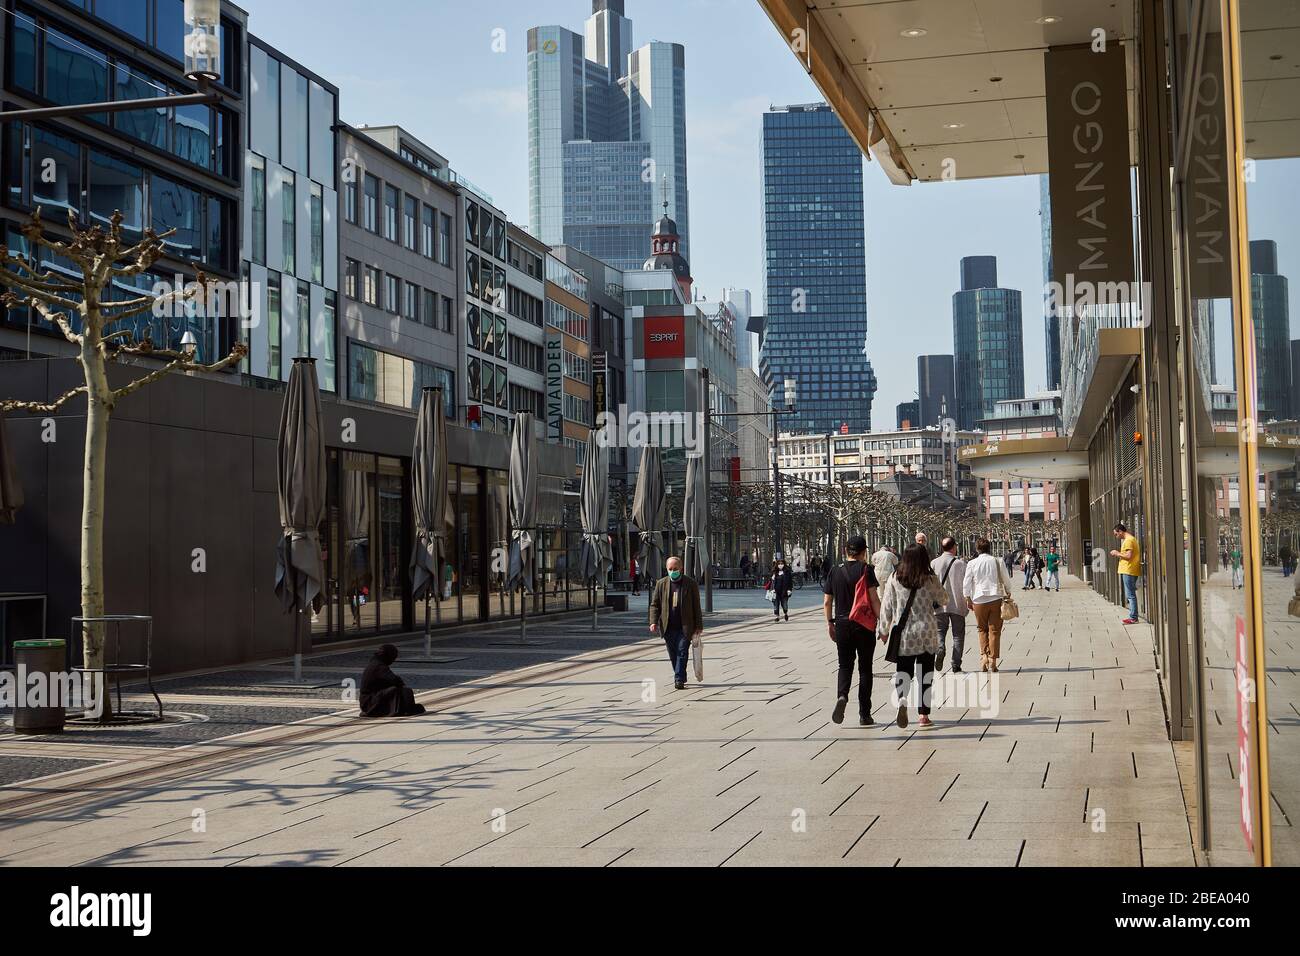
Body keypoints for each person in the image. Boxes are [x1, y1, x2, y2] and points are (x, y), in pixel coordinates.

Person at [877, 544, 949, 730]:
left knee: (904, 671)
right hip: (927, 632)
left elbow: (887, 606)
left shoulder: (895, 578)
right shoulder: (929, 579)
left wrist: (883, 630)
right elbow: (944, 599)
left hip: (905, 633)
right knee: (925, 674)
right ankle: (924, 715)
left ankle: (902, 699)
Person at [824, 535, 881, 726]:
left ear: (845, 552)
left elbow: (827, 601)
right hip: (863, 625)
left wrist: (829, 623)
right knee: (865, 669)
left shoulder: (834, 571)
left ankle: (842, 696)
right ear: (864, 552)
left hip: (841, 624)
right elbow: (873, 599)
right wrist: (884, 622)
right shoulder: (866, 570)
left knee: (845, 665)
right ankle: (865, 714)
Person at [649, 556, 703, 690]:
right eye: (670, 569)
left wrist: (698, 626)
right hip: (668, 626)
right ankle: (680, 675)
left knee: (682, 651)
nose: (673, 571)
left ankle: (678, 678)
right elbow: (655, 605)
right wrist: (653, 622)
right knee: (673, 654)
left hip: (685, 626)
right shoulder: (661, 584)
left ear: (681, 569)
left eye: (675, 569)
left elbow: (697, 606)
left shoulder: (690, 584)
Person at [964, 537, 1013, 672]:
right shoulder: (998, 561)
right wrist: (1008, 591)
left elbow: (967, 582)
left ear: (977, 549)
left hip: (978, 599)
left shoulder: (972, 563)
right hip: (995, 598)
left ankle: (984, 656)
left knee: (981, 629)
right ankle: (993, 660)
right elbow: (1005, 578)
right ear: (989, 548)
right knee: (995, 630)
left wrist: (967, 598)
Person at [931, 537, 968, 673]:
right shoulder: (960, 564)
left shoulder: (934, 563)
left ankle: (940, 647)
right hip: (957, 604)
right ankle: (956, 664)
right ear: (954, 547)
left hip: (939, 605)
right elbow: (966, 584)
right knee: (958, 635)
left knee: (940, 632)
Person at [359, 644, 426, 718]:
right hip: (369, 702)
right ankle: (404, 709)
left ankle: (404, 708)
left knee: (402, 690)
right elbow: (394, 680)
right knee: (398, 690)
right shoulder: (379, 666)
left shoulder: (376, 663)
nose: (393, 660)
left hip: (369, 699)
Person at [1110, 523, 1142, 623]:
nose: (1116, 536)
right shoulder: (1131, 539)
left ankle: (1133, 617)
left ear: (1121, 531)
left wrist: (1117, 553)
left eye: (1116, 534)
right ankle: (1133, 616)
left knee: (1130, 595)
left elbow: (1128, 556)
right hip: (1130, 569)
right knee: (1131, 594)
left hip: (1128, 570)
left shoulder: (1128, 541)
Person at [768, 558, 794, 622]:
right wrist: (772, 578)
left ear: (784, 564)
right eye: (779, 564)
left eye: (781, 564)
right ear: (777, 565)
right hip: (775, 591)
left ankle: (785, 613)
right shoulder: (774, 572)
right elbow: (770, 582)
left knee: (784, 604)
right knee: (776, 605)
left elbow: (790, 582)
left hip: (784, 591)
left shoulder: (787, 572)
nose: (780, 565)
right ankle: (777, 617)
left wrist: (789, 590)